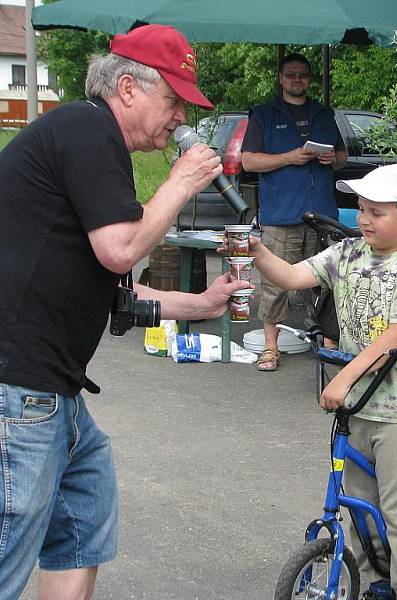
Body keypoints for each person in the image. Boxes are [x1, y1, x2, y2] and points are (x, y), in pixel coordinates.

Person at [0, 24, 251, 600]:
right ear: (130, 88)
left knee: (83, 517)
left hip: (49, 391)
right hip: (20, 386)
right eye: (174, 101)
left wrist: (202, 302)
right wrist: (183, 182)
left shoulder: (90, 141)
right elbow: (121, 249)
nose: (180, 120)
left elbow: (113, 290)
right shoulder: (88, 129)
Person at [234, 164, 397, 600]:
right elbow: (290, 277)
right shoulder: (346, 253)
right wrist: (257, 252)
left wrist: (343, 377)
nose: (364, 219)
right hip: (357, 408)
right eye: (361, 209)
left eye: (377, 212)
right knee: (360, 508)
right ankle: (372, 584)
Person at [241, 52, 347, 372]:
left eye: (302, 75)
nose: (297, 80)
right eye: (291, 75)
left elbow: (342, 157)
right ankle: (271, 348)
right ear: (281, 79)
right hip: (282, 212)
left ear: (309, 79)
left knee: (330, 281)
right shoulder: (263, 114)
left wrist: (332, 160)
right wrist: (289, 157)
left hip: (323, 214)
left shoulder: (323, 113)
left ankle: (330, 344)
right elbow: (248, 162)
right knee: (276, 284)